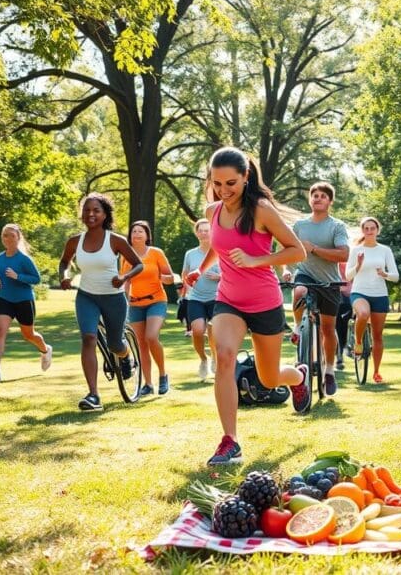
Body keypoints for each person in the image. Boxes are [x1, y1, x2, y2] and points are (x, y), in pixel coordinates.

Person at [185, 147, 307, 465]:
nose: (223, 191)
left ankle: (298, 377)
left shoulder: (261, 210)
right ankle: (230, 441)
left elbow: (297, 251)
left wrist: (256, 260)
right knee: (224, 357)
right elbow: (219, 245)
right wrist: (201, 269)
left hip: (264, 302)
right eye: (217, 183)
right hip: (229, 300)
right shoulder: (213, 211)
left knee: (269, 378)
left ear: (245, 177)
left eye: (231, 183)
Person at [59, 193, 143, 411]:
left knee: (115, 345)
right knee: (88, 338)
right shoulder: (75, 241)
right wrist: (64, 276)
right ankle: (93, 395)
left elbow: (138, 264)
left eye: (96, 210)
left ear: (105, 215)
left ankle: (125, 356)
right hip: (86, 297)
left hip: (114, 299)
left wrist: (124, 277)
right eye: (87, 210)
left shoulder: (115, 240)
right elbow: (64, 262)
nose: (91, 214)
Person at [281, 182, 349, 396]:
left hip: (330, 282)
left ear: (330, 201)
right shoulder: (300, 225)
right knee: (299, 291)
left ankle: (329, 370)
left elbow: (344, 254)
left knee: (328, 329)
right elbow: (288, 249)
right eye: (315, 195)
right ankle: (297, 328)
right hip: (306, 275)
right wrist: (286, 269)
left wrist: (315, 249)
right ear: (310, 200)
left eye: (323, 196)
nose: (318, 198)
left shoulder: (337, 226)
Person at [121, 220, 175, 396]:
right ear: (130, 236)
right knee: (141, 345)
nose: (137, 234)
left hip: (156, 301)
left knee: (151, 337)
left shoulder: (156, 253)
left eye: (140, 231)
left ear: (147, 236)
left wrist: (164, 277)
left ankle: (163, 375)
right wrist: (124, 300)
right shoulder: (126, 255)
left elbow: (169, 277)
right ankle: (148, 384)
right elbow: (125, 281)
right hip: (135, 304)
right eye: (134, 231)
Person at [345, 216, 400, 383]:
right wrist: (358, 265)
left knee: (377, 335)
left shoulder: (385, 250)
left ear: (377, 230)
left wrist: (385, 274)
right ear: (362, 231)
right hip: (359, 292)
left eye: (372, 228)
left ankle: (376, 371)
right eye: (366, 228)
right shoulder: (356, 250)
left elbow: (395, 276)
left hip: (380, 294)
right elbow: (348, 276)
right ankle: (358, 342)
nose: (369, 231)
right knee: (363, 314)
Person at [0, 224, 53, 382]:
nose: (8, 239)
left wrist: (18, 276)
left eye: (12, 235)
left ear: (18, 238)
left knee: (28, 335)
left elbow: (36, 279)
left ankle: (45, 350)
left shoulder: (24, 259)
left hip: (23, 300)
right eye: (5, 235)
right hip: (4, 299)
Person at [182, 218, 220, 381]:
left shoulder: (220, 251)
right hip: (195, 298)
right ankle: (204, 359)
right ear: (196, 233)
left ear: (212, 232)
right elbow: (185, 274)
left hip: (216, 297)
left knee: (214, 331)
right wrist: (188, 286)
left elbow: (231, 273)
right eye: (201, 230)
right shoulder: (190, 254)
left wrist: (219, 277)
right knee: (197, 331)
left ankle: (215, 357)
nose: (204, 233)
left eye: (207, 230)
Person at [334, 262, 352, 371]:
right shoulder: (333, 261)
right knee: (337, 327)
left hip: (350, 295)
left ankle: (346, 347)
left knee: (344, 327)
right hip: (336, 294)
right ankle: (339, 356)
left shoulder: (351, 260)